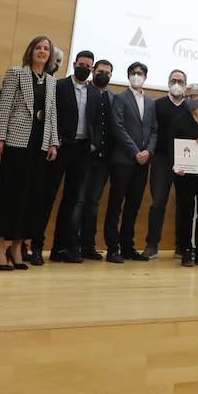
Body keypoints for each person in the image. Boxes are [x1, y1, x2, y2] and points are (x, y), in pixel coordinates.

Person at [0, 36, 60, 270]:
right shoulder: (16, 73)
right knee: (9, 195)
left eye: (46, 49)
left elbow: (51, 115)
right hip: (16, 143)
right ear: (31, 51)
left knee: (31, 198)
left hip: (39, 147)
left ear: (50, 55)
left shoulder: (51, 81)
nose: (42, 51)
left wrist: (53, 143)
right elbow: (4, 106)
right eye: (38, 47)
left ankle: (17, 246)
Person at [35, 50, 96, 265]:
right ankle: (36, 246)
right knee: (47, 196)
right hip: (60, 147)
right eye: (82, 64)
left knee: (71, 201)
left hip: (82, 151)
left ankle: (59, 248)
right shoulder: (59, 86)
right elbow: (49, 115)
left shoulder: (94, 93)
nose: (85, 69)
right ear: (74, 64)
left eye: (89, 67)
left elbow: (95, 121)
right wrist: (54, 140)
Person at [105, 61, 156, 263]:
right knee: (115, 204)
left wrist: (148, 152)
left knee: (133, 206)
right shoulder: (119, 97)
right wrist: (135, 151)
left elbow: (154, 130)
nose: (137, 75)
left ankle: (128, 246)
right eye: (134, 73)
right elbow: (117, 127)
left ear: (145, 76)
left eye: (141, 73)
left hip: (143, 162)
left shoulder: (151, 102)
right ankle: (112, 248)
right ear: (128, 76)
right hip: (123, 160)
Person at [71, 58, 116, 260]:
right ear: (93, 71)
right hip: (84, 156)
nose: (103, 75)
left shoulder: (114, 97)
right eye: (100, 71)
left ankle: (88, 245)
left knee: (93, 203)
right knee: (79, 201)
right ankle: (72, 245)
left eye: (107, 72)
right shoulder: (85, 92)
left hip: (105, 159)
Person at [146, 69, 190, 258]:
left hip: (185, 161)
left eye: (180, 81)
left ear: (185, 85)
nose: (177, 84)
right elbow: (150, 130)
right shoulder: (158, 105)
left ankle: (181, 247)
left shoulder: (190, 107)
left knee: (184, 204)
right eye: (174, 80)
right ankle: (152, 245)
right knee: (158, 202)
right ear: (168, 83)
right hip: (161, 159)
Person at [171, 84, 198, 266]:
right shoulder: (178, 118)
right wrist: (175, 165)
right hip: (185, 173)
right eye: (187, 96)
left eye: (193, 96)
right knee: (186, 212)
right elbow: (171, 144)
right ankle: (185, 249)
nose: (189, 99)